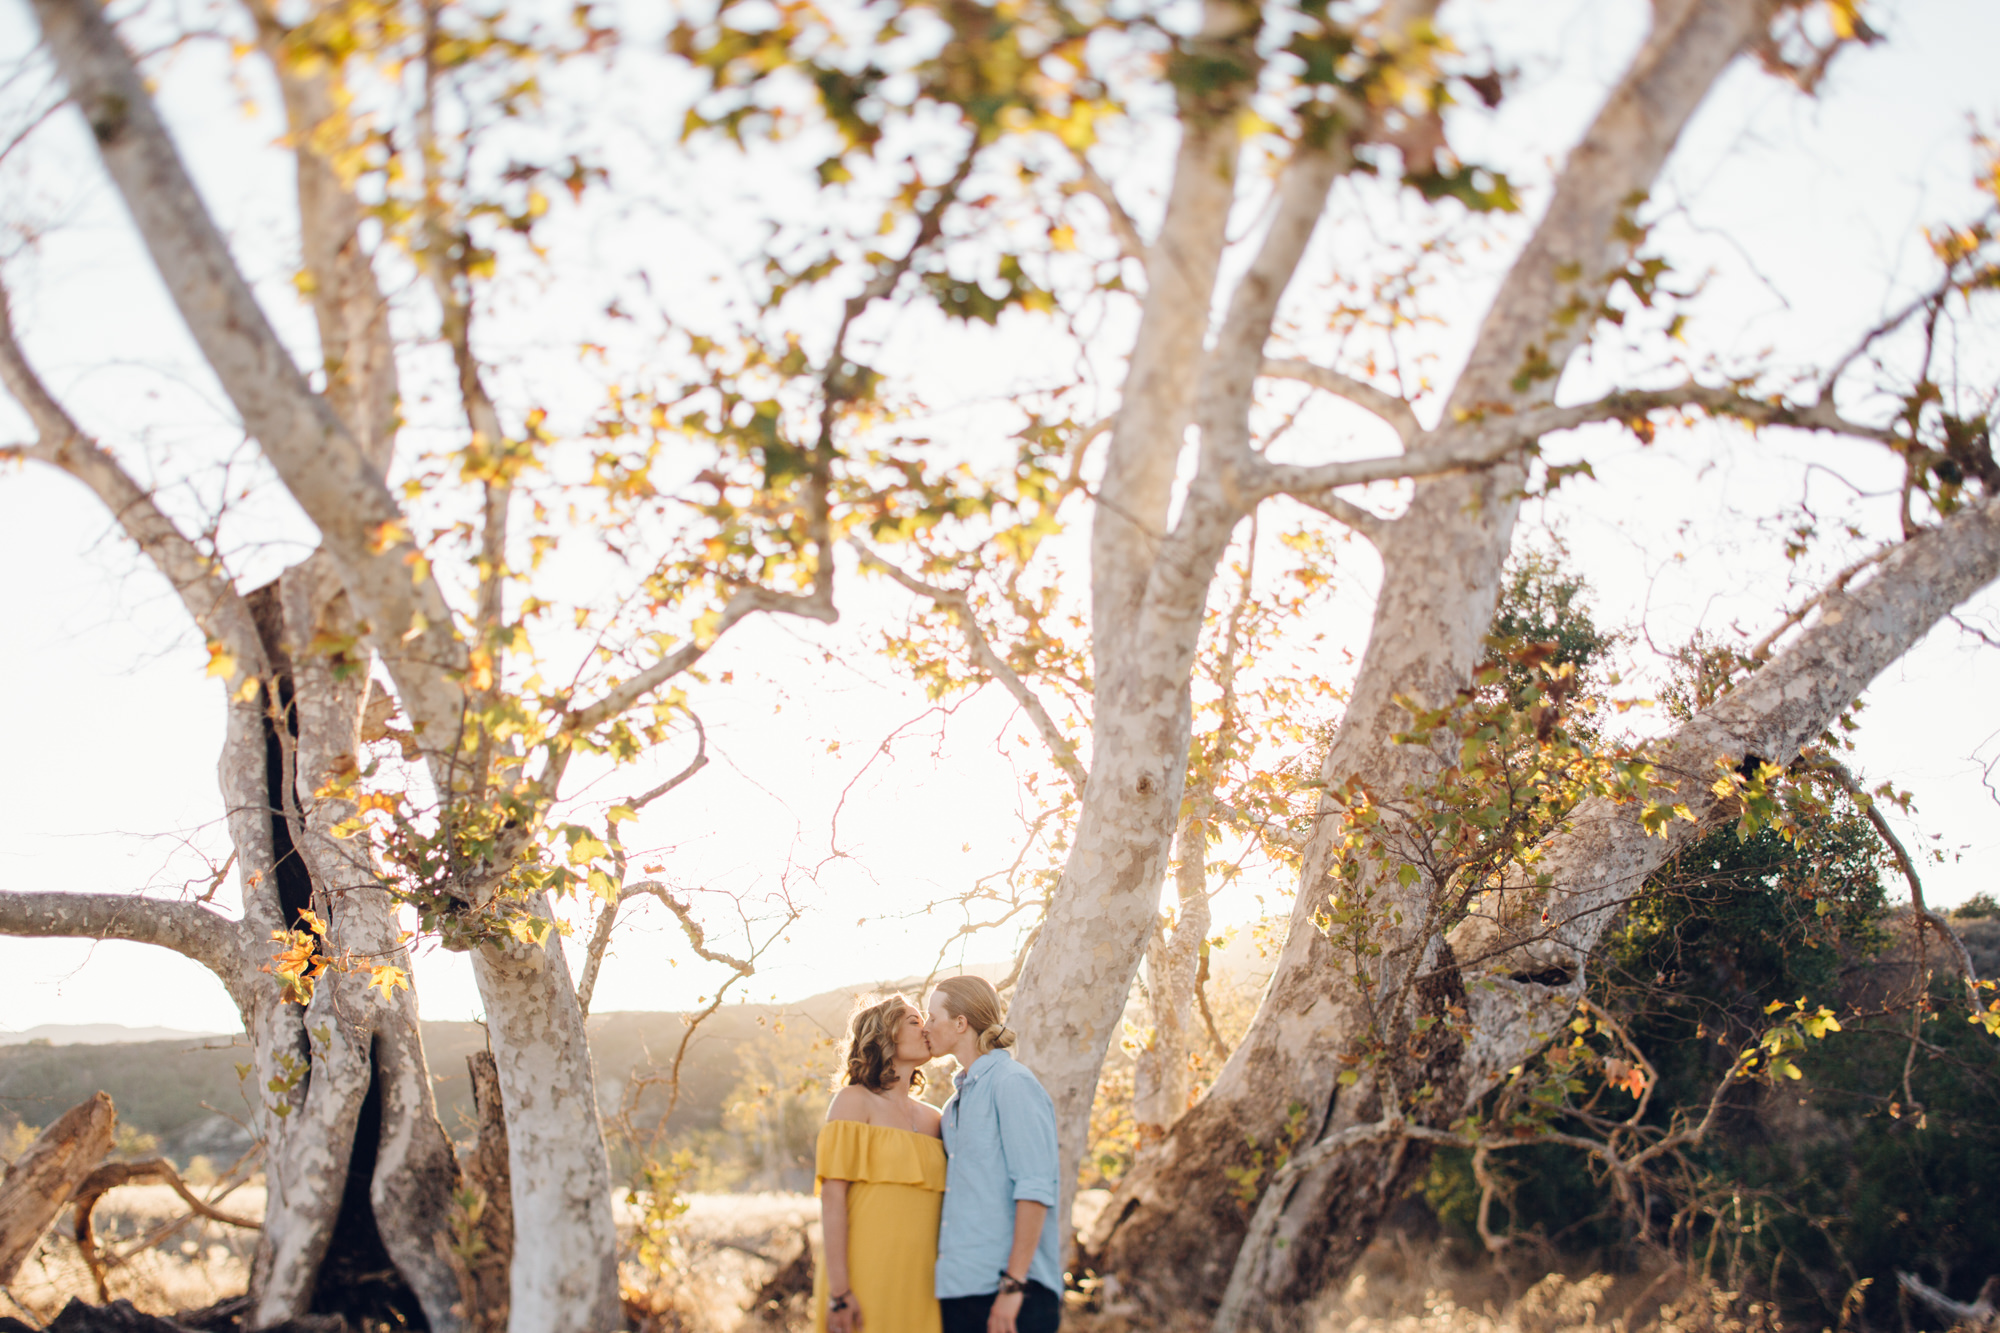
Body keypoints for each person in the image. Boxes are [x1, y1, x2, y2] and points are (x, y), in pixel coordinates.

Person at [924, 976, 1062, 1333]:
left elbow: (1035, 1188)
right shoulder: (953, 1105)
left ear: (960, 1023)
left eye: (931, 1017)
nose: (925, 1028)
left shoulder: (1011, 1083)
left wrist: (1013, 1285)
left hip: (1013, 1294)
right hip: (960, 1291)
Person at [815, 993, 946, 1333]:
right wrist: (840, 1292)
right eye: (916, 1021)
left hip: (924, 1280)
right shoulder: (853, 1101)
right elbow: (833, 1200)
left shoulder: (937, 1118)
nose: (927, 1028)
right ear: (885, 1034)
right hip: (864, 1274)